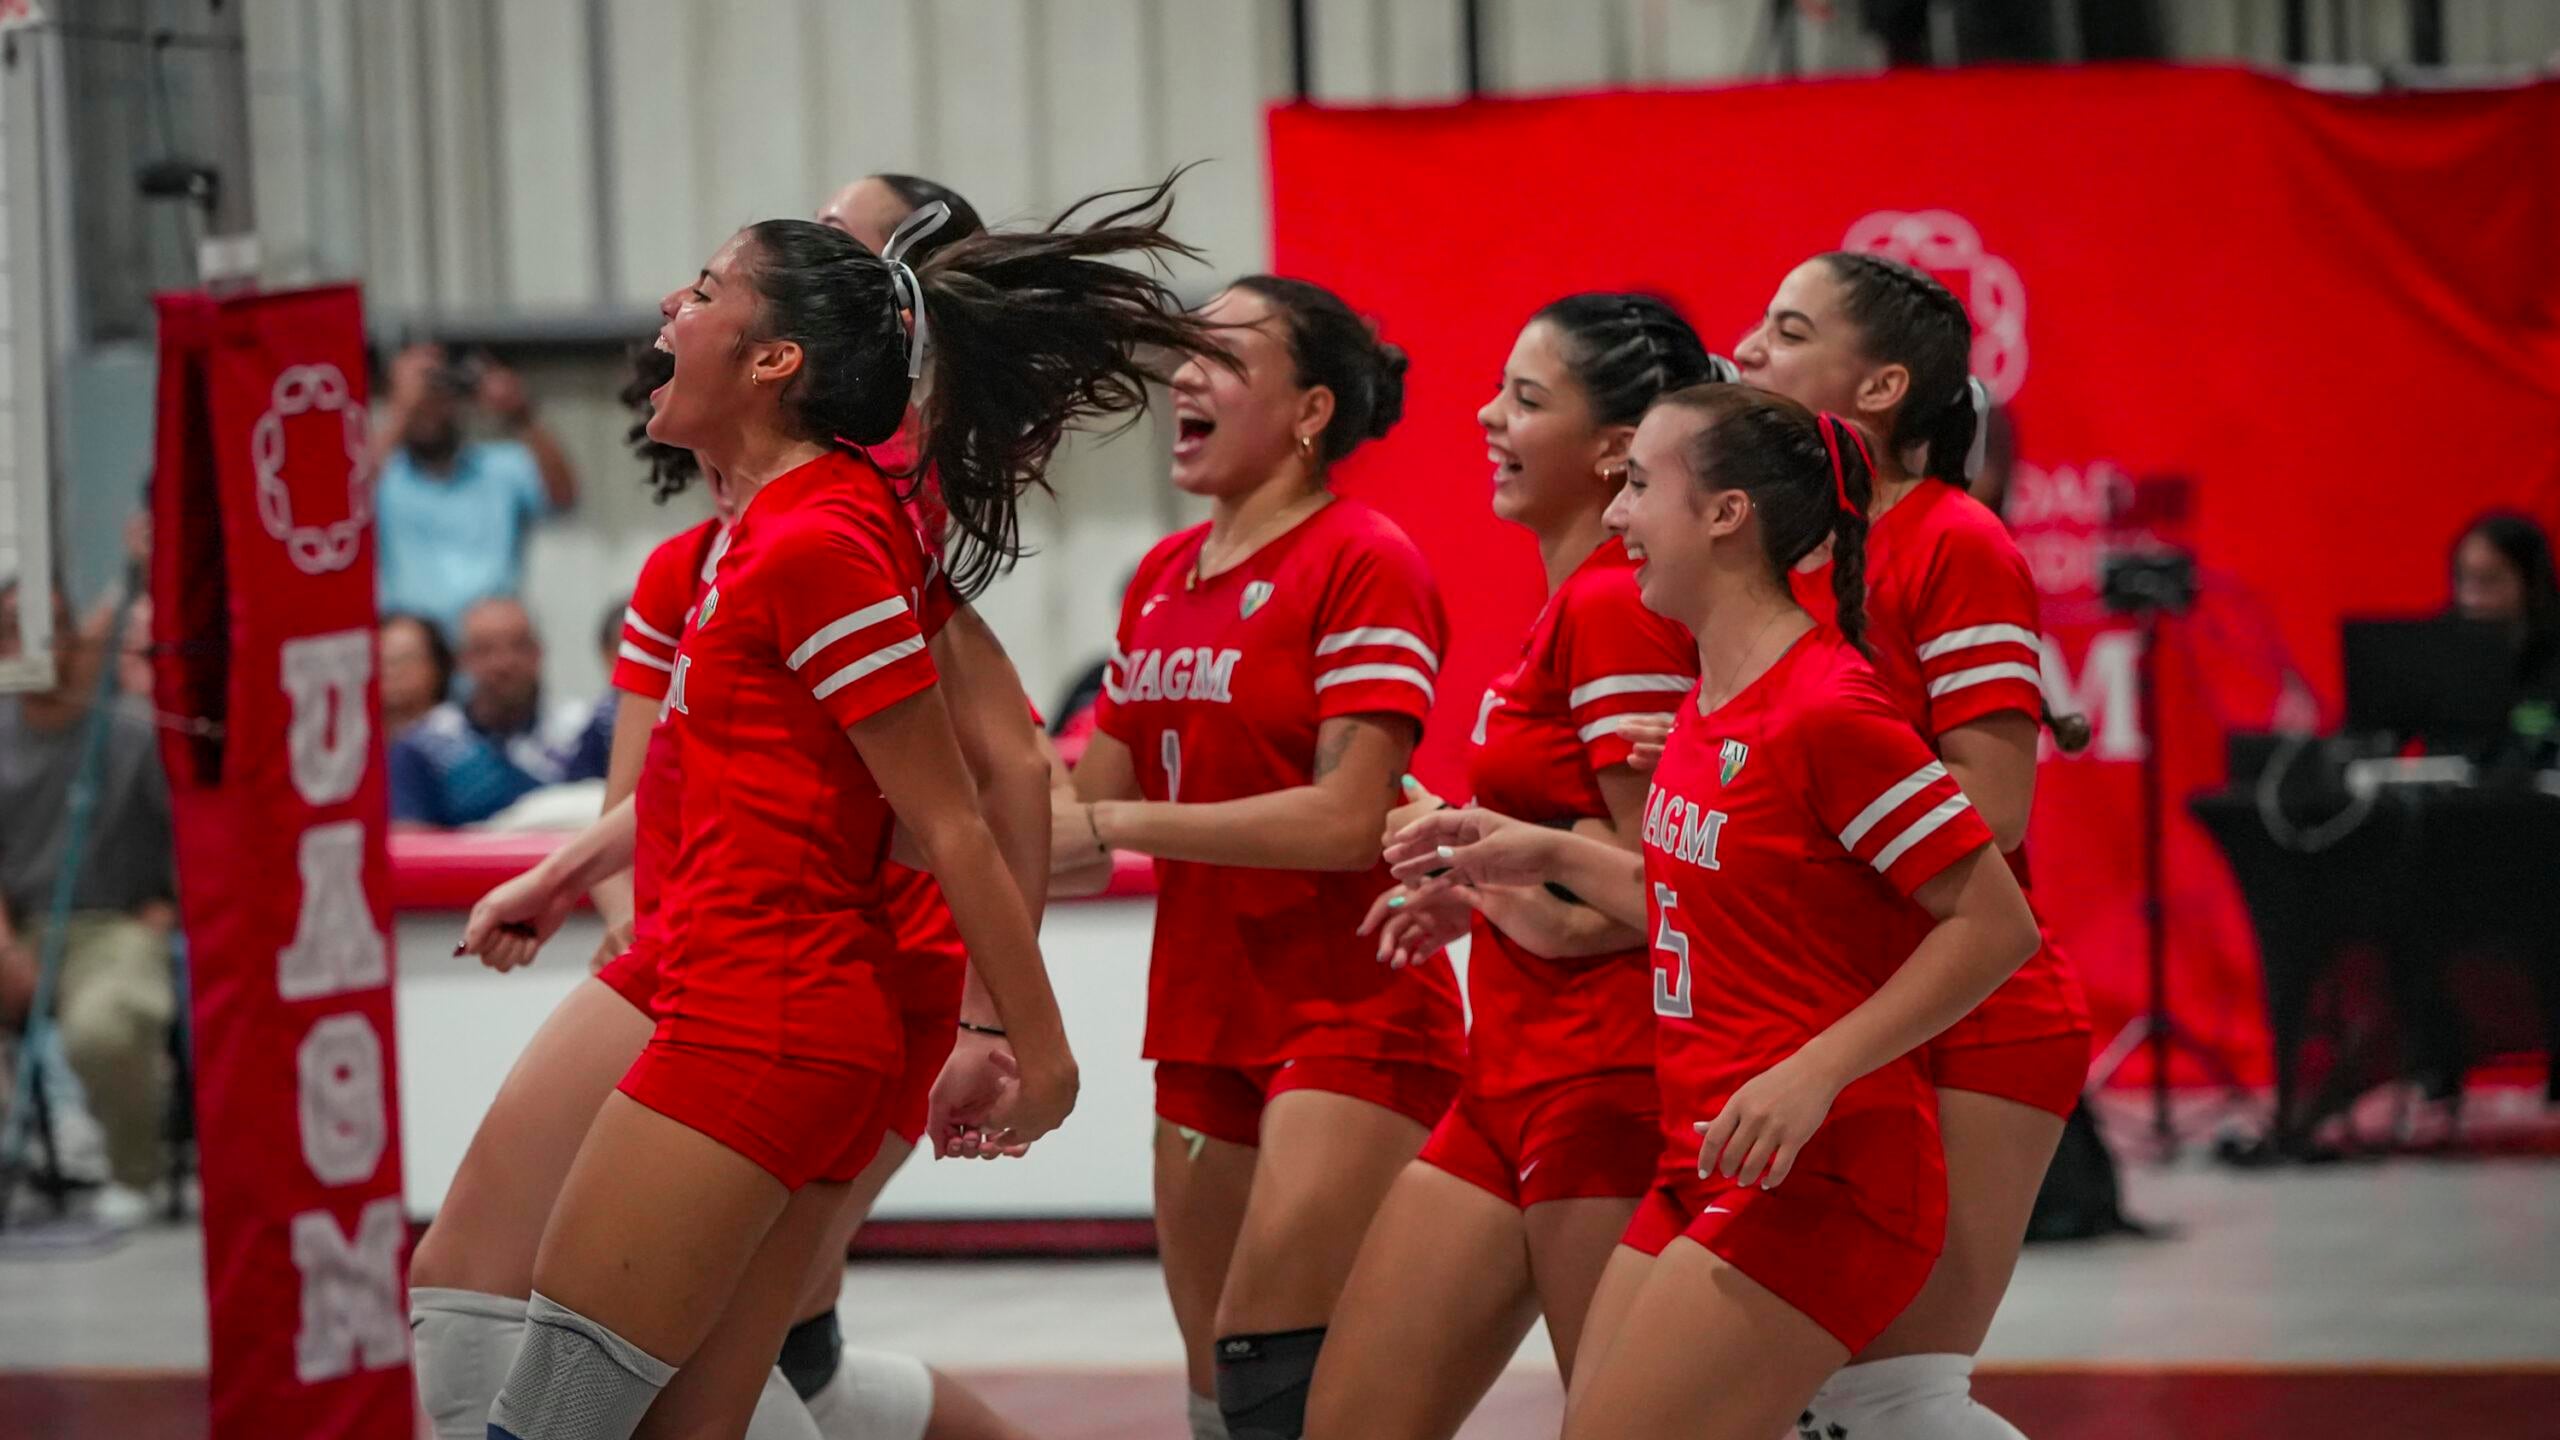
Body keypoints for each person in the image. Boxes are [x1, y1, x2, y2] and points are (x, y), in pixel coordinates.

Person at [463, 178, 1223, 1440]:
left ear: (775, 359)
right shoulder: (781, 530)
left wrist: (1035, 1048)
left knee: (541, 1415)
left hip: (761, 1023)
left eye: (705, 292)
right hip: (768, 1013)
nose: (669, 305)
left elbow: (966, 813)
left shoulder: (817, 538)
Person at [1386, 385, 2040, 1440]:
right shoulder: (1708, 695)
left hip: (1820, 1170)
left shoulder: (1829, 709)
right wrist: (1529, 848)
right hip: (1706, 1158)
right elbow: (1688, 896)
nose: (1614, 516)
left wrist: (1814, 1069)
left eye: (1640, 485)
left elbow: (1994, 924)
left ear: (1727, 513)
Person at [1047, 276, 1464, 1440]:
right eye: (1182, 353)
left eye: (1223, 356)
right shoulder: (1159, 578)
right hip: (1199, 1012)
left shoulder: (1362, 559)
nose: (1183, 373)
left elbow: (1343, 822)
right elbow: (1078, 824)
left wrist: (1117, 827)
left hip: (1352, 1008)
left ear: (1309, 411)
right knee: (1213, 1390)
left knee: (1270, 1363)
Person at [1300, 296, 1719, 1440]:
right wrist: (1477, 876)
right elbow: (1572, 874)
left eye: (1526, 400)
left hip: (1608, 1084)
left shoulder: (1617, 612)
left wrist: (1479, 857)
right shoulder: (1569, 608)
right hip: (1509, 1081)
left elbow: (1661, 889)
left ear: (1615, 452)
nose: (1487, 415)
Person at [1723, 251, 2093, 1440]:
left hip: (1972, 1009)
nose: (1746, 350)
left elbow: (1993, 814)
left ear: (1878, 388)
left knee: (1891, 1400)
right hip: (1824, 1003)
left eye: (1785, 331)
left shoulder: (1953, 540)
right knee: (1815, 1403)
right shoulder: (1776, 558)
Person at [0, 581, 178, 1216]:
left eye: (51, 627)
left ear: (78, 637)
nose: (37, 646)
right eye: (16, 629)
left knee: (105, 1030)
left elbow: (188, 840)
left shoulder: (131, 733)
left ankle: (136, 1175)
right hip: (16, 930)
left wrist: (166, 910)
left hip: (114, 928)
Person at [373, 343, 580, 638]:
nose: (429, 404)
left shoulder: (499, 466)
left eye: (439, 388)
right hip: (412, 650)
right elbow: (341, 514)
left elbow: (564, 498)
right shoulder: (382, 474)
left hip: (490, 646)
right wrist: (402, 413)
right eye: (420, 391)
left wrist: (521, 416)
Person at [387, 595, 604, 829]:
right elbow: (411, 842)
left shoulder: (585, 730)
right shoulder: (424, 745)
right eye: (484, 650)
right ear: (462, 660)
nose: (503, 663)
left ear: (538, 652)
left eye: (518, 646)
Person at [2449, 510, 2560, 695]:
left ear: (2532, 583)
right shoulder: (2441, 650)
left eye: (2489, 580)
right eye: (2463, 578)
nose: (2470, 600)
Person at [381, 610, 454, 737]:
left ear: (437, 667)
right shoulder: (356, 740)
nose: (391, 671)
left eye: (405, 659)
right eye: (382, 660)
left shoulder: (456, 743)